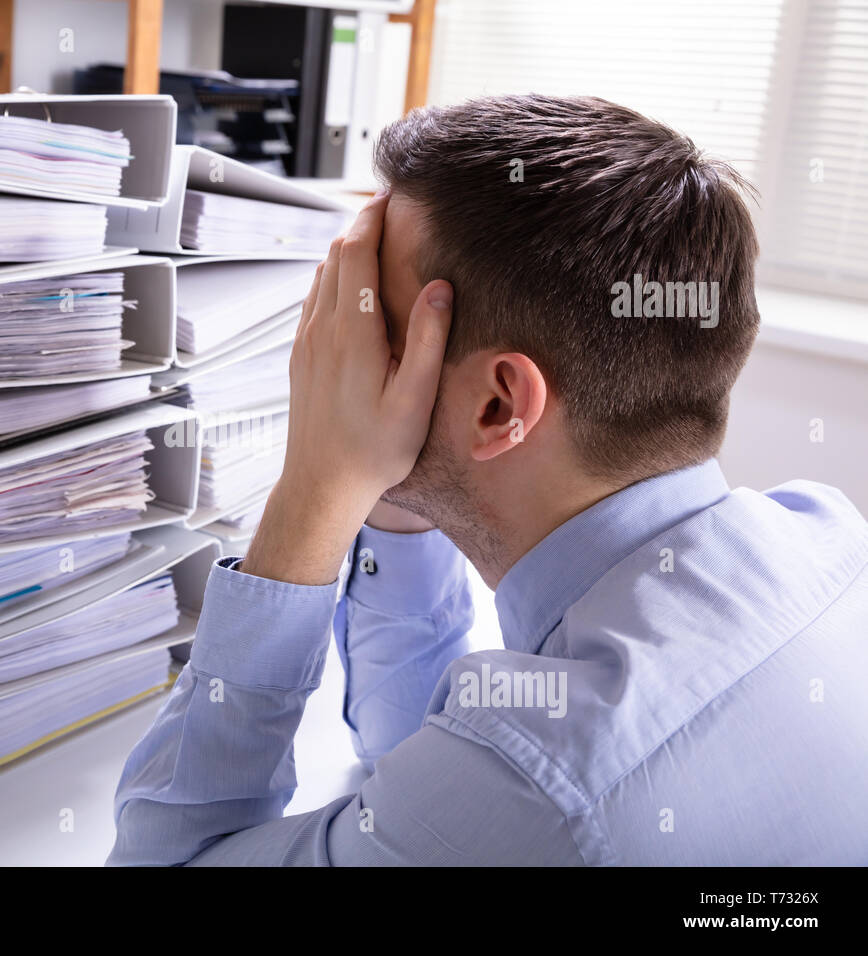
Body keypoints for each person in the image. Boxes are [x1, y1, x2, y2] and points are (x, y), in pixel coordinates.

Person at [107, 95, 868, 865]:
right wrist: (393, 498)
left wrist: (313, 488)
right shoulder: (827, 535)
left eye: (374, 325)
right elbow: (415, 751)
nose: (343, 353)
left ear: (501, 403)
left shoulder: (540, 787)